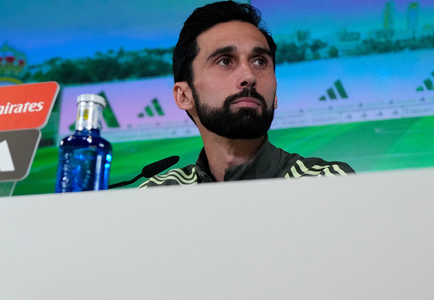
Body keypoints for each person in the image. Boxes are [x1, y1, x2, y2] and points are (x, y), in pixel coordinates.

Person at [139, 1, 354, 186]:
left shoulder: (327, 183)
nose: (249, 76)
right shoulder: (156, 195)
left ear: (275, 95)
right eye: (225, 61)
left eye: (260, 62)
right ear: (184, 96)